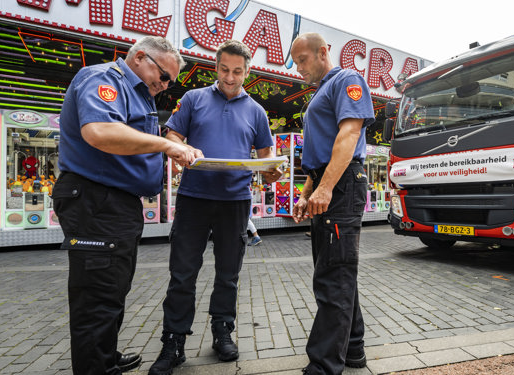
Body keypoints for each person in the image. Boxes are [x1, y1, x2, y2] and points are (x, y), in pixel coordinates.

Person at [52, 36, 195, 375]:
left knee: (113, 288)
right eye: (163, 76)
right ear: (141, 57)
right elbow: (100, 131)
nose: (163, 86)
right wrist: (166, 145)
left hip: (115, 204)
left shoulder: (137, 94)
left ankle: (104, 355)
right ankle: (95, 367)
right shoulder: (104, 79)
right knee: (98, 296)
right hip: (97, 200)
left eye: (169, 82)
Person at [149, 40, 282, 375]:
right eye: (224, 69)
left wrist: (271, 172)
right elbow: (173, 137)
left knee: (229, 275)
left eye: (237, 71)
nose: (230, 76)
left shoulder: (257, 112)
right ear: (216, 67)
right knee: (182, 274)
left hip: (235, 203)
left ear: (247, 72)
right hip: (194, 199)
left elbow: (266, 160)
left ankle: (223, 331)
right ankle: (174, 341)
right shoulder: (194, 99)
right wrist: (183, 148)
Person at [290, 32, 375, 374]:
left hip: (340, 186)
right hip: (329, 182)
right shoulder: (322, 92)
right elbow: (320, 155)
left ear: (323, 52)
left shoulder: (347, 80)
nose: (298, 69)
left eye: (303, 60)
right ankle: (353, 350)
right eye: (295, 63)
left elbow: (349, 134)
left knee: (333, 277)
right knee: (336, 273)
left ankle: (324, 366)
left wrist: (325, 189)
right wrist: (307, 192)